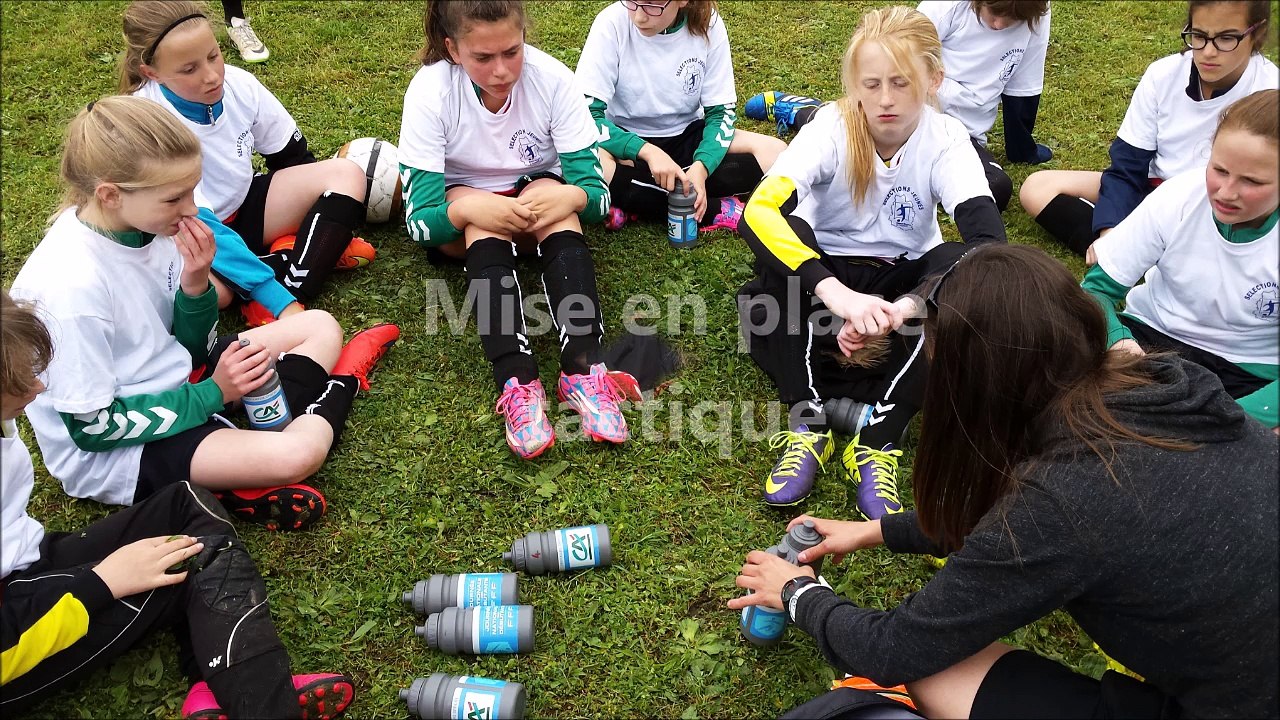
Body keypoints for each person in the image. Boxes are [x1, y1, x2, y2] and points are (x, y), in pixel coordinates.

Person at [729, 243, 1279, 718]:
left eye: (940, 367)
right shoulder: (1161, 383)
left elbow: (896, 650)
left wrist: (796, 593)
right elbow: (1014, 521)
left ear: (981, 378)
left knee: (940, 671)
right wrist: (874, 531)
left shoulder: (1067, 500)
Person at [9, 96, 399, 528]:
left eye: (193, 190)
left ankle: (237, 469)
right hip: (124, 448)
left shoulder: (150, 225)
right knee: (297, 453)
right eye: (175, 198)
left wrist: (195, 286)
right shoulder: (70, 289)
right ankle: (342, 382)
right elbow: (94, 429)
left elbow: (193, 347)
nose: (193, 210)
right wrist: (215, 394)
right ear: (110, 195)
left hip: (183, 381)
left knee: (319, 325)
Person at [0, 290, 355, 719]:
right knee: (190, 562)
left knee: (186, 507)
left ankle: (214, 691)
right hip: (18, 631)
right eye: (21, 380)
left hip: (29, 561)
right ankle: (267, 702)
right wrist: (101, 582)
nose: (38, 387)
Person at [737, 5, 1005, 514]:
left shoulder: (947, 139)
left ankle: (880, 436)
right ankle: (809, 421)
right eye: (872, 83)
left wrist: (904, 308)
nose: (884, 100)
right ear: (854, 84)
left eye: (901, 83)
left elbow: (988, 239)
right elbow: (760, 212)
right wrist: (833, 293)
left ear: (933, 79)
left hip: (900, 281)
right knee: (781, 249)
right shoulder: (830, 127)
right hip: (824, 276)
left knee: (972, 268)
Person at [399, 0, 629, 460]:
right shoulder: (430, 91)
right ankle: (518, 384)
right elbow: (420, 222)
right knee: (479, 219)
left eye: (512, 51)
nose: (501, 70)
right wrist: (468, 212)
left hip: (534, 207)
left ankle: (583, 369)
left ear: (524, 36)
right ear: (452, 49)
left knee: (556, 200)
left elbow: (596, 195)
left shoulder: (553, 80)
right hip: (464, 219)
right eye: (482, 58)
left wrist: (575, 197)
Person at [120, 0, 376, 327]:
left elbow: (291, 158)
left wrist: (309, 210)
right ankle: (298, 263)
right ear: (151, 73)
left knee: (346, 173)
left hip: (245, 207)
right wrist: (279, 295)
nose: (212, 76)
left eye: (214, 56)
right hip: (186, 232)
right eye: (189, 69)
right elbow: (193, 221)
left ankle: (290, 276)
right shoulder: (145, 120)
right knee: (214, 294)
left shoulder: (240, 85)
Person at [1019, 0, 1276, 258]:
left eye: (1227, 38)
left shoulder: (1269, 91)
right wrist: (1109, 232)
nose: (1208, 51)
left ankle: (1156, 255)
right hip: (1152, 192)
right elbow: (1127, 167)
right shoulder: (1163, 75)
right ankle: (1133, 252)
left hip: (1221, 206)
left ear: (1257, 33)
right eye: (1198, 35)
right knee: (1037, 188)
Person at [1084, 89, 1277, 431]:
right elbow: (1095, 291)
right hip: (1150, 341)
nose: (1226, 192)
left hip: (1251, 374)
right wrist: (1118, 341)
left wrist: (1231, 417)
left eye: (1251, 181)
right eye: (1219, 169)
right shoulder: (1179, 196)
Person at [748, 0, 1053, 213]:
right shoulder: (948, 6)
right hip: (909, 110)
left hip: (962, 132)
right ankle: (809, 112)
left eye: (1009, 20)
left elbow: (1023, 86)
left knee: (995, 189)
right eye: (992, 13)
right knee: (849, 145)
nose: (999, 24)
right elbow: (900, 50)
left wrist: (1022, 149)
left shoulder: (1038, 16)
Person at [574, 0, 786, 233]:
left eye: (652, 6)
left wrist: (701, 167)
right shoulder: (611, 23)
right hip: (626, 146)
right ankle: (715, 209)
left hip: (687, 135)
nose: (639, 17)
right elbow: (585, 115)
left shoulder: (709, 23)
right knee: (593, 163)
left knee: (776, 153)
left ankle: (633, 198)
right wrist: (647, 151)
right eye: (632, 2)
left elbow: (721, 113)